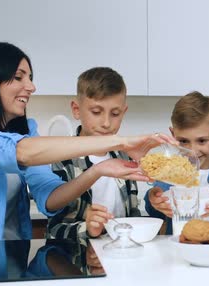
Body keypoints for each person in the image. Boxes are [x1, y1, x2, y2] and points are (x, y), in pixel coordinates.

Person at [0, 42, 175, 243]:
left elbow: (49, 198)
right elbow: (19, 152)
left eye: (30, 77)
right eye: (19, 77)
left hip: (13, 259)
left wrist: (97, 170)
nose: (31, 86)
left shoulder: (26, 132)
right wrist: (121, 142)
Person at [47, 67, 141, 244]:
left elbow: (133, 214)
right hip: (76, 261)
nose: (106, 123)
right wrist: (87, 229)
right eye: (96, 112)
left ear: (124, 112)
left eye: (115, 113)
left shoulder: (125, 157)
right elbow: (54, 229)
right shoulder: (60, 160)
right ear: (76, 109)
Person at [144, 91, 209, 234]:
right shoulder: (170, 172)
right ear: (173, 136)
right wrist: (154, 200)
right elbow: (155, 210)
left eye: (202, 141)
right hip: (179, 246)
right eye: (183, 141)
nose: (193, 151)